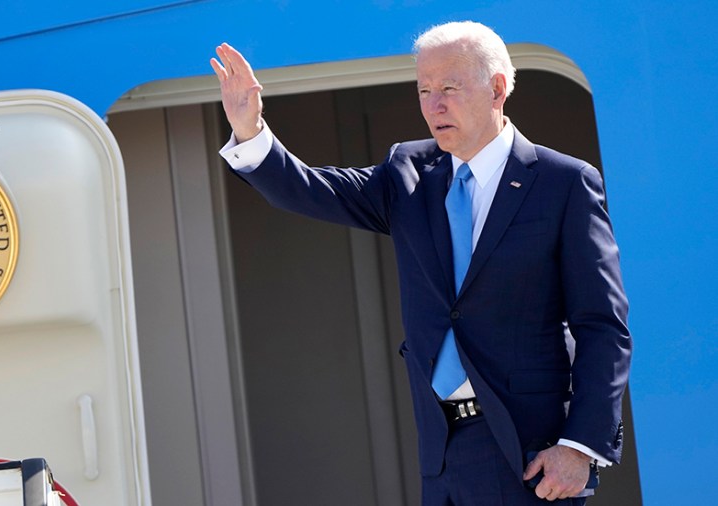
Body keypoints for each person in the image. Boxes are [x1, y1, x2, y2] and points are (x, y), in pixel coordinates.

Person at [210, 21, 631, 506]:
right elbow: (310, 190)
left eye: (449, 88)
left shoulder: (564, 183)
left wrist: (581, 448)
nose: (434, 105)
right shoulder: (408, 172)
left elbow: (603, 325)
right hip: (441, 452)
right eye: (424, 90)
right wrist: (249, 129)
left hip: (531, 456)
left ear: (497, 88)